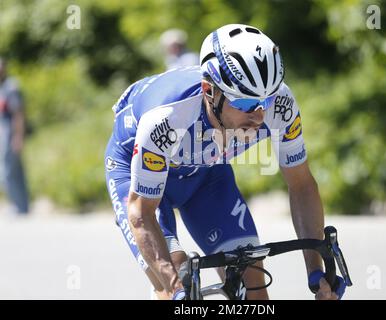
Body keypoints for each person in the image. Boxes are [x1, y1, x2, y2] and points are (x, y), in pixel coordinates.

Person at [105, 24, 346, 300]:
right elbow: (142, 215)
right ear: (210, 91)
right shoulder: (167, 118)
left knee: (252, 279)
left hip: (206, 173)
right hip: (136, 175)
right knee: (176, 270)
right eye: (244, 104)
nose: (258, 115)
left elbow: (301, 185)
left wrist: (316, 273)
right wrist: (174, 288)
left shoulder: (281, 106)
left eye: (264, 102)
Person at [0, 57, 29, 214]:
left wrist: (18, 137)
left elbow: (18, 114)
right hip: (3, 135)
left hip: (10, 135)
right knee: (11, 171)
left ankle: (19, 205)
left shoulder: (11, 87)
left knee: (9, 172)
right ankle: (21, 206)